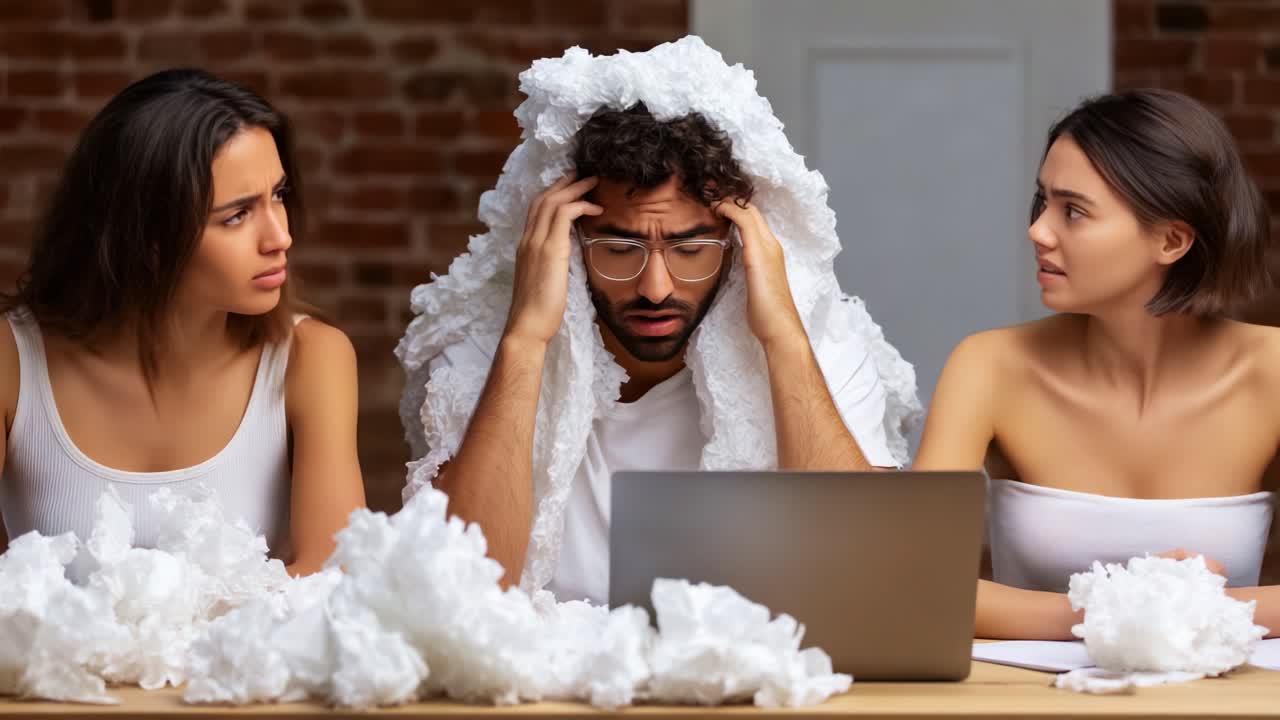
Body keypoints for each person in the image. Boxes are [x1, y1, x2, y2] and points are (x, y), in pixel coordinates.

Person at [397, 38, 920, 605]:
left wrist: (783, 342)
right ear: (566, 245)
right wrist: (525, 341)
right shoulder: (483, 351)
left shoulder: (824, 347)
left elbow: (869, 577)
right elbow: (457, 591)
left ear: (742, 245)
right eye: (619, 248)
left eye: (690, 248)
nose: (655, 288)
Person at [913, 88, 1280, 638]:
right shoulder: (989, 366)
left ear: (1172, 241)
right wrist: (1125, 606)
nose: (1038, 231)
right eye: (1043, 202)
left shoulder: (1271, 370)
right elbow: (916, 581)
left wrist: (1185, 607)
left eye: (1074, 211)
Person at [0, 69, 366, 579]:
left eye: (278, 196)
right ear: (145, 237)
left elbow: (333, 577)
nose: (279, 236)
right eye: (237, 216)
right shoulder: (11, 360)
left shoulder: (312, 357)